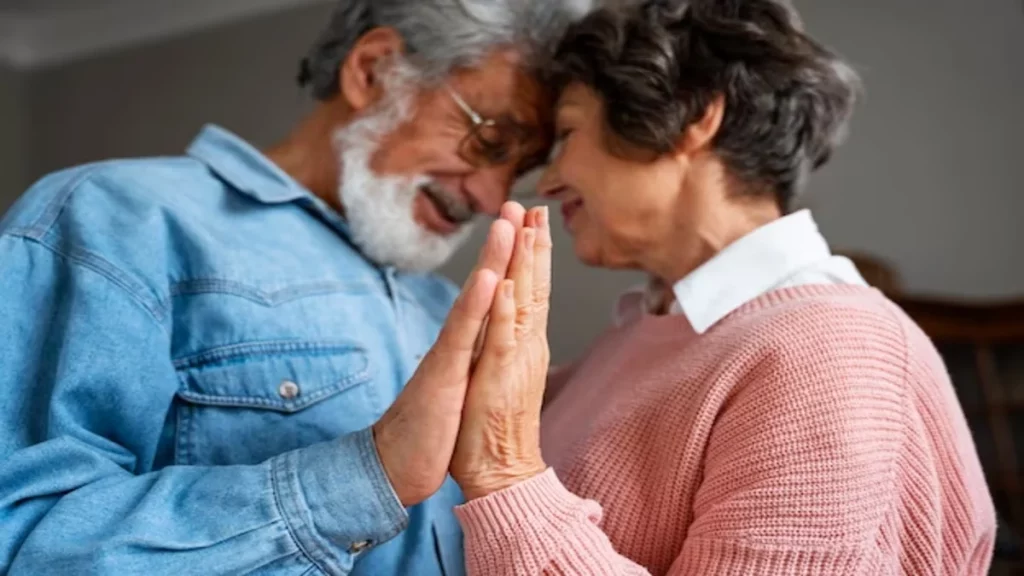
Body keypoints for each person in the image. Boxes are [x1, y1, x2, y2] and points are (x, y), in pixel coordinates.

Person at [0, 0, 589, 573]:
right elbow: (20, 537)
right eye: (490, 142)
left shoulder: (441, 304)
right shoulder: (112, 218)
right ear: (373, 71)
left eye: (519, 170)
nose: (490, 197)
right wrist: (369, 473)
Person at [439, 0, 998, 574]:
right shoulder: (655, 328)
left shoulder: (828, 351)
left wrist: (504, 472)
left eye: (569, 132)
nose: (548, 181)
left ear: (693, 117)